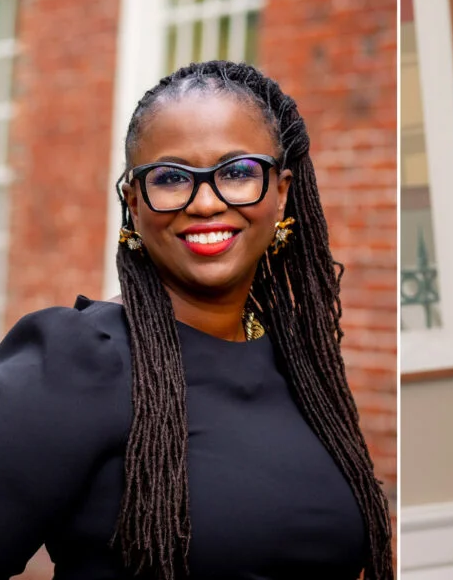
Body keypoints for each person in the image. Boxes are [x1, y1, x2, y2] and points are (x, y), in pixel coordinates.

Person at [0, 61, 393, 580]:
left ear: (281, 192)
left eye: (238, 172)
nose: (205, 203)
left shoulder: (300, 366)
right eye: (170, 178)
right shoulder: (76, 360)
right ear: (134, 202)